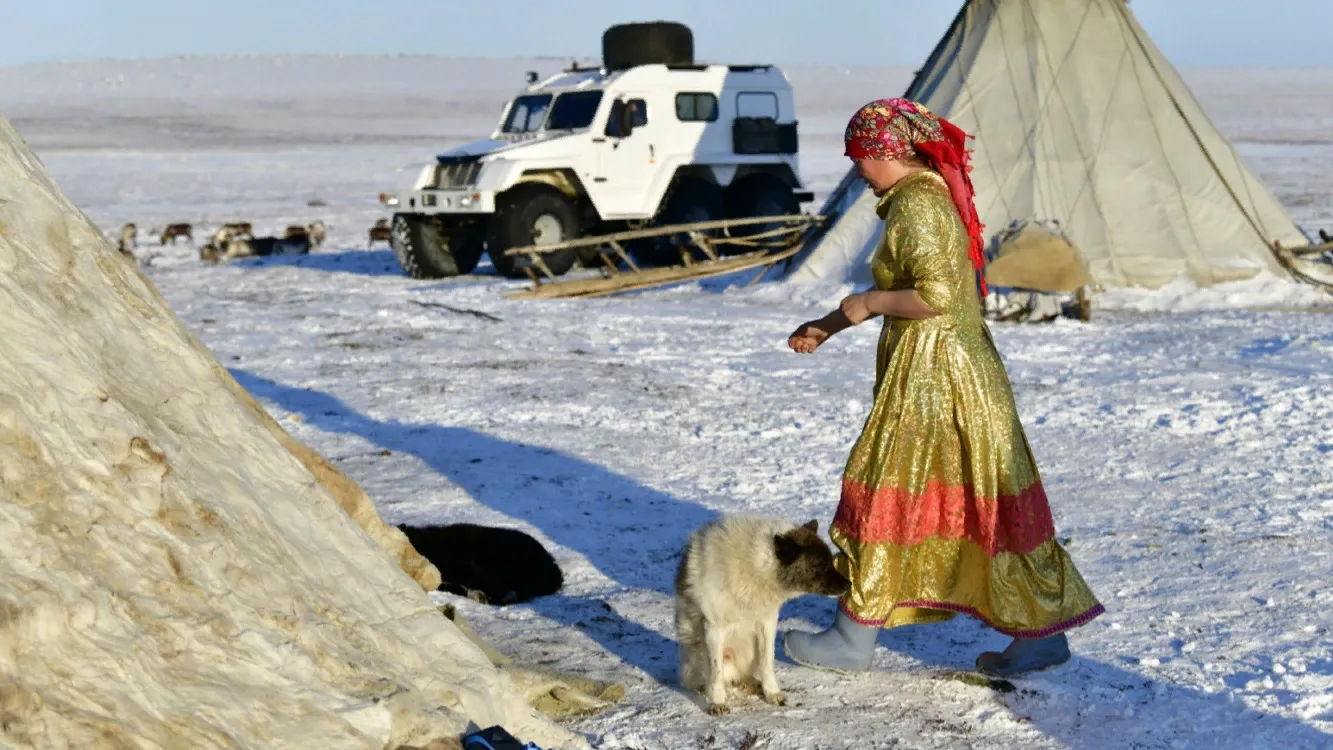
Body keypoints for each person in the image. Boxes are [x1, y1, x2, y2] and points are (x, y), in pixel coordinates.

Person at [782, 98, 1104, 677]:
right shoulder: (915, 199)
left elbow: (938, 296)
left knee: (887, 485)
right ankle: (1038, 635)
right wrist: (830, 326)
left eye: (861, 157)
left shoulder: (917, 205)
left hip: (938, 378)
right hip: (950, 369)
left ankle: (854, 637)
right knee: (984, 495)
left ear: (888, 151)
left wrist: (871, 301)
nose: (858, 169)